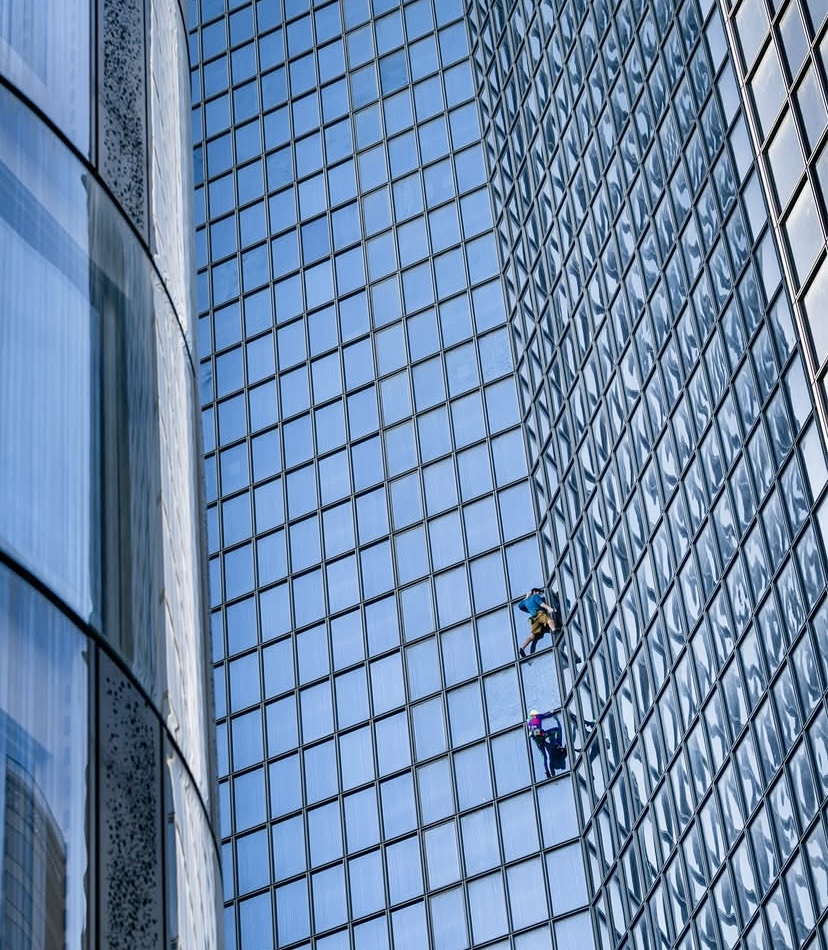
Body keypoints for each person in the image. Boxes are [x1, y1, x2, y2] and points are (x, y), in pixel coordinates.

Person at [517, 587, 563, 657]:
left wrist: (527, 597)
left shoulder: (526, 601)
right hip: (539, 613)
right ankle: (554, 630)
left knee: (532, 635)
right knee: (549, 620)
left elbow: (520, 606)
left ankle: (522, 648)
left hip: (533, 618)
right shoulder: (535, 596)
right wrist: (549, 608)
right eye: (539, 592)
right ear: (535, 592)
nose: (539, 594)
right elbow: (541, 604)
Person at [526, 709, 567, 778]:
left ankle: (547, 771)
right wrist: (552, 712)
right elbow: (546, 715)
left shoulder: (529, 720)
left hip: (539, 741)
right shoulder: (537, 716)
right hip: (541, 738)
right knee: (555, 731)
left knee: (544, 757)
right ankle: (547, 772)